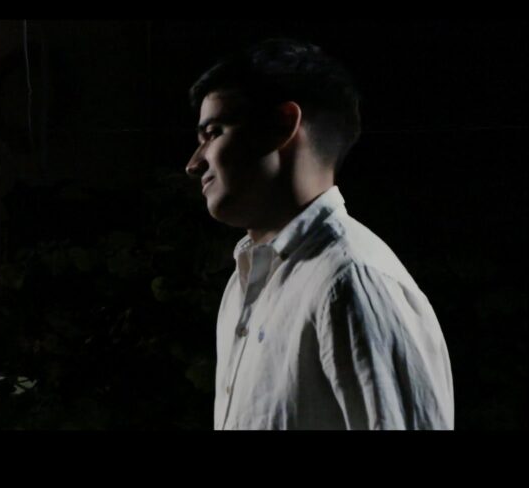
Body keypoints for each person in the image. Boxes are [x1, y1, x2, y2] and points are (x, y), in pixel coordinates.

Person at [185, 38, 453, 429]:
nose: (194, 164)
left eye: (214, 132)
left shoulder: (351, 280)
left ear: (283, 125)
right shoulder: (244, 286)